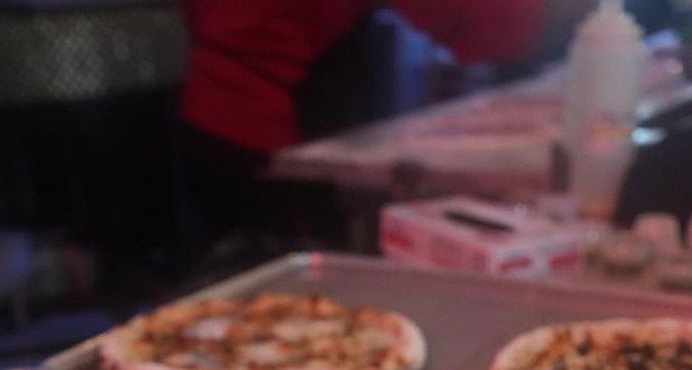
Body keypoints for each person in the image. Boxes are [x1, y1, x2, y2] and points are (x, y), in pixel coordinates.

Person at [176, 1, 545, 258]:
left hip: (202, 112)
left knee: (228, 279)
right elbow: (494, 28)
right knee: (268, 292)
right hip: (263, 130)